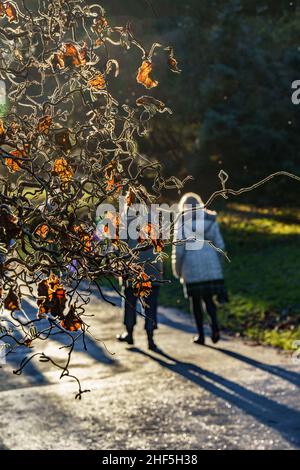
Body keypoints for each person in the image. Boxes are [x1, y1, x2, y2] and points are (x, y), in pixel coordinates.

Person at [172, 192, 228, 345]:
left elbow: (179, 249)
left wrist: (177, 270)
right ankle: (215, 327)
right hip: (211, 265)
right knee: (209, 300)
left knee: (195, 302)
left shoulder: (182, 222)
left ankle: (201, 335)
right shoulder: (210, 220)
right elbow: (220, 246)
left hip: (191, 266)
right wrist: (218, 266)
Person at [117, 208, 163, 351]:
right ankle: (150, 339)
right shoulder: (156, 217)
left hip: (133, 267)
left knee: (130, 302)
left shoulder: (126, 217)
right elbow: (161, 245)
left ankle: (129, 333)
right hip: (152, 267)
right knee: (151, 304)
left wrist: (120, 268)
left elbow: (121, 247)